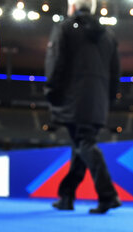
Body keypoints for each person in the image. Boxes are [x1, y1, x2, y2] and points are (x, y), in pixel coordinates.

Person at [44, 0, 122, 214]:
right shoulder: (108, 35)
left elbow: (55, 62)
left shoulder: (66, 28)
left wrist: (51, 91)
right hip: (98, 101)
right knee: (80, 144)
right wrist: (108, 99)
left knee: (84, 143)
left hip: (74, 98)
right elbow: (116, 73)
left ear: (73, 7)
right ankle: (67, 195)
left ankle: (108, 195)